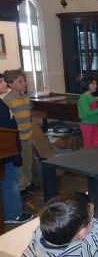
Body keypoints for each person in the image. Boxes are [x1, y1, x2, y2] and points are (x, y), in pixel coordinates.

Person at [0, 72, 33, 224]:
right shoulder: (6, 101)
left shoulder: (22, 98)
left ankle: (26, 184)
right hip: (11, 144)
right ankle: (14, 210)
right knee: (13, 176)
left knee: (26, 163)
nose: (4, 85)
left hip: (20, 140)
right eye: (1, 82)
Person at [22, 192, 98, 257]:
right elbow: (97, 231)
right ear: (82, 233)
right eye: (92, 216)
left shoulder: (39, 232)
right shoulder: (80, 251)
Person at [3, 69, 38, 201]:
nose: (24, 83)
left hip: (28, 135)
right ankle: (21, 187)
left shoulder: (25, 97)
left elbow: (28, 116)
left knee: (28, 160)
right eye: (20, 81)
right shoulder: (7, 100)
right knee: (19, 164)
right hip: (17, 138)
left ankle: (27, 182)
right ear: (11, 84)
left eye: (24, 80)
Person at [77, 75, 98, 149]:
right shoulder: (83, 98)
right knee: (88, 145)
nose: (95, 85)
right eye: (93, 84)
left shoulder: (92, 98)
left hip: (94, 124)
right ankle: (87, 160)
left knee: (96, 144)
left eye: (96, 84)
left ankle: (95, 159)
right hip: (87, 125)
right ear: (86, 85)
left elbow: (93, 111)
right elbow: (87, 113)